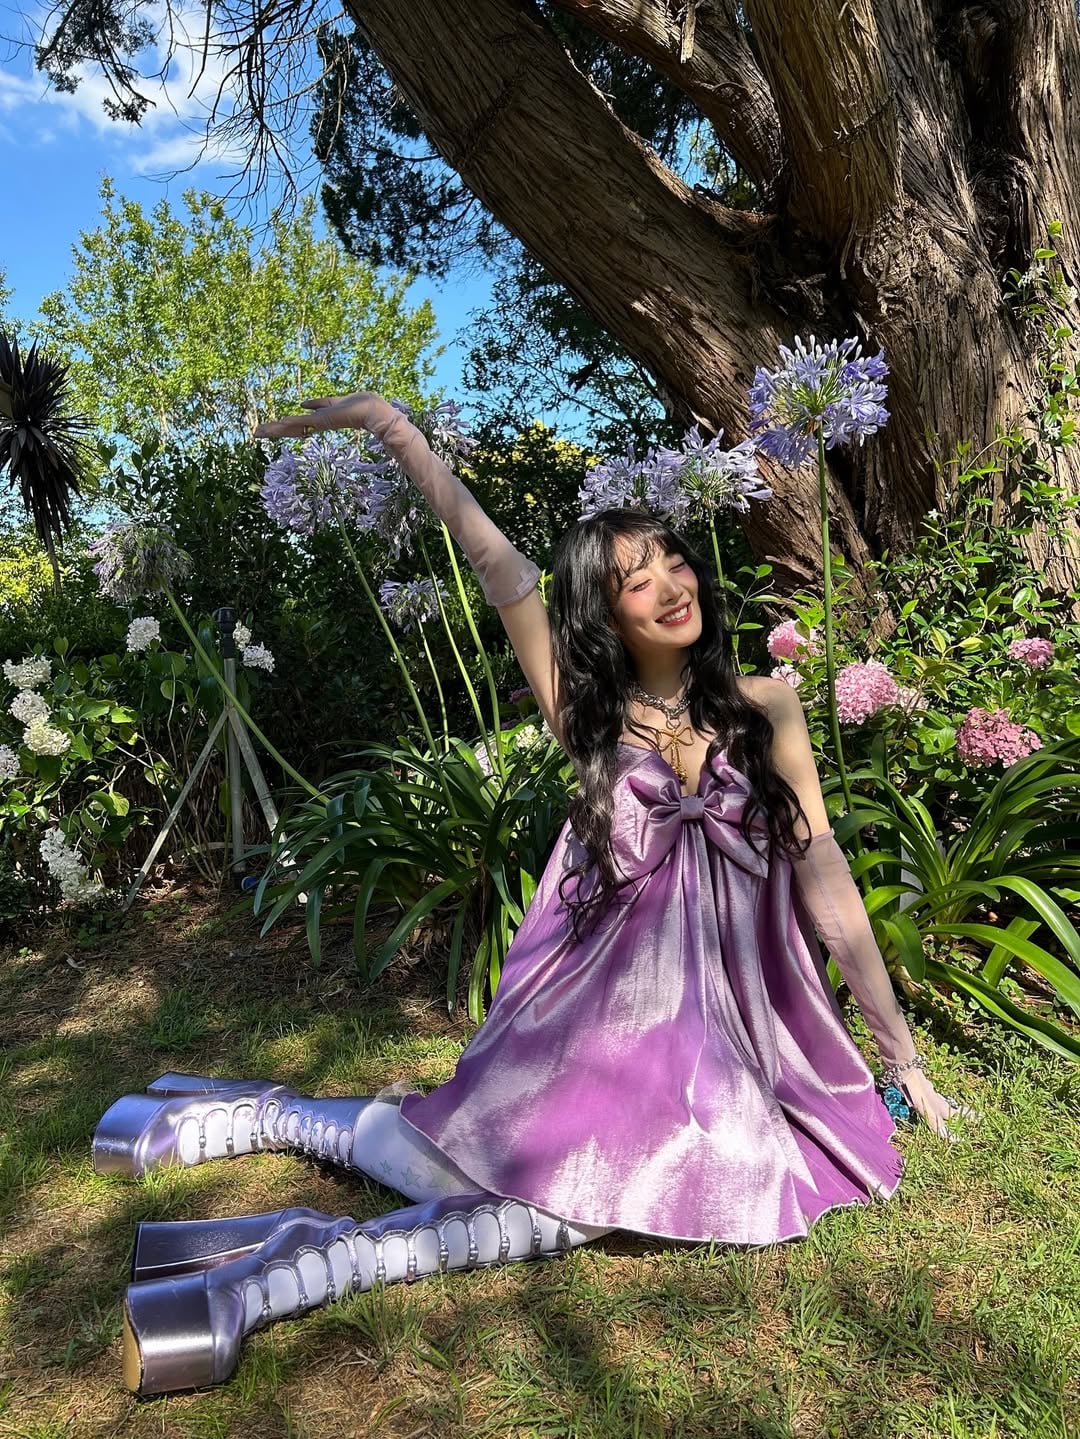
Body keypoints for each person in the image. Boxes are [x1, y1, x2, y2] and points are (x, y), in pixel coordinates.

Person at [93, 393, 971, 1396]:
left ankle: (273, 1218)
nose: (669, 585)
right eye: (635, 579)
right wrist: (392, 428)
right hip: (595, 1028)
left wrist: (900, 1056)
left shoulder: (768, 704)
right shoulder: (588, 712)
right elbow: (501, 569)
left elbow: (826, 878)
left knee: (570, 1203)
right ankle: (263, 1187)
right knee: (507, 1183)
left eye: (672, 560)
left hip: (721, 1041)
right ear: (606, 611)